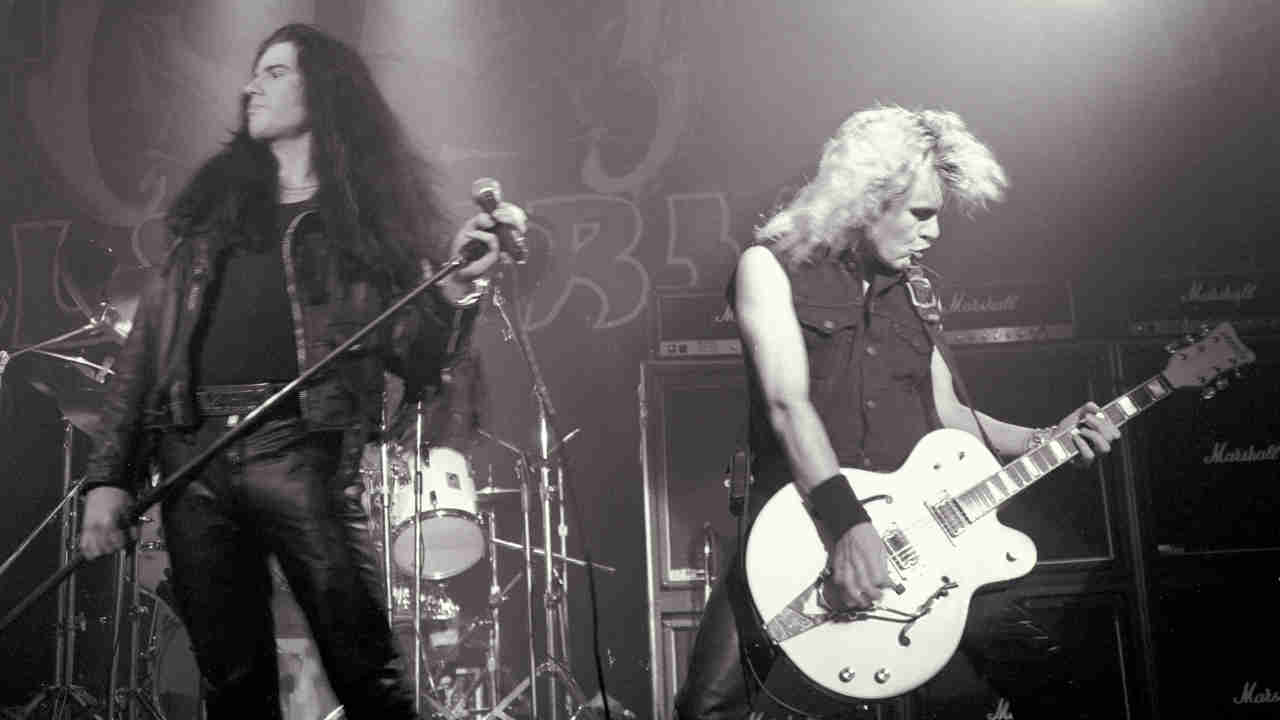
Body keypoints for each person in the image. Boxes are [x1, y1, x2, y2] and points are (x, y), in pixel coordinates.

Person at [76, 23, 525, 718]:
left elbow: (419, 353)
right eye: (255, 72)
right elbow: (145, 353)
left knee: (366, 671)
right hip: (192, 456)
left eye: (276, 72)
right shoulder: (212, 216)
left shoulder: (366, 223)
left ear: (324, 92)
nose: (252, 85)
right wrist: (110, 474)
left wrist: (453, 288)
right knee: (231, 685)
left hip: (300, 447)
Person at [673, 105, 1121, 719]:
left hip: (922, 538)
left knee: (1045, 679)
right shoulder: (769, 267)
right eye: (920, 214)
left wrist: (1046, 436)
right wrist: (848, 526)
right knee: (708, 709)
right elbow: (786, 405)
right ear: (865, 199)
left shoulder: (915, 292)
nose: (933, 233)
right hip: (799, 530)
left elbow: (949, 414)